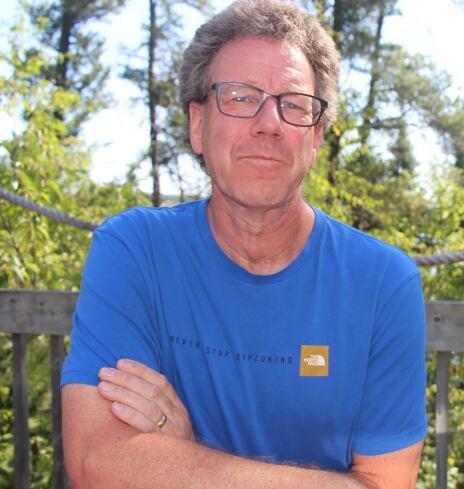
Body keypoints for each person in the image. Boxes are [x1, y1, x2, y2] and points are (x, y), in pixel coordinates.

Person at [60, 1, 427, 487]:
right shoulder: (134, 250)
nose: (269, 123)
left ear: (315, 138)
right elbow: (97, 465)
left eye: (293, 104)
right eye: (239, 97)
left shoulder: (383, 282)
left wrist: (180, 452)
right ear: (197, 124)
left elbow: (386, 485)